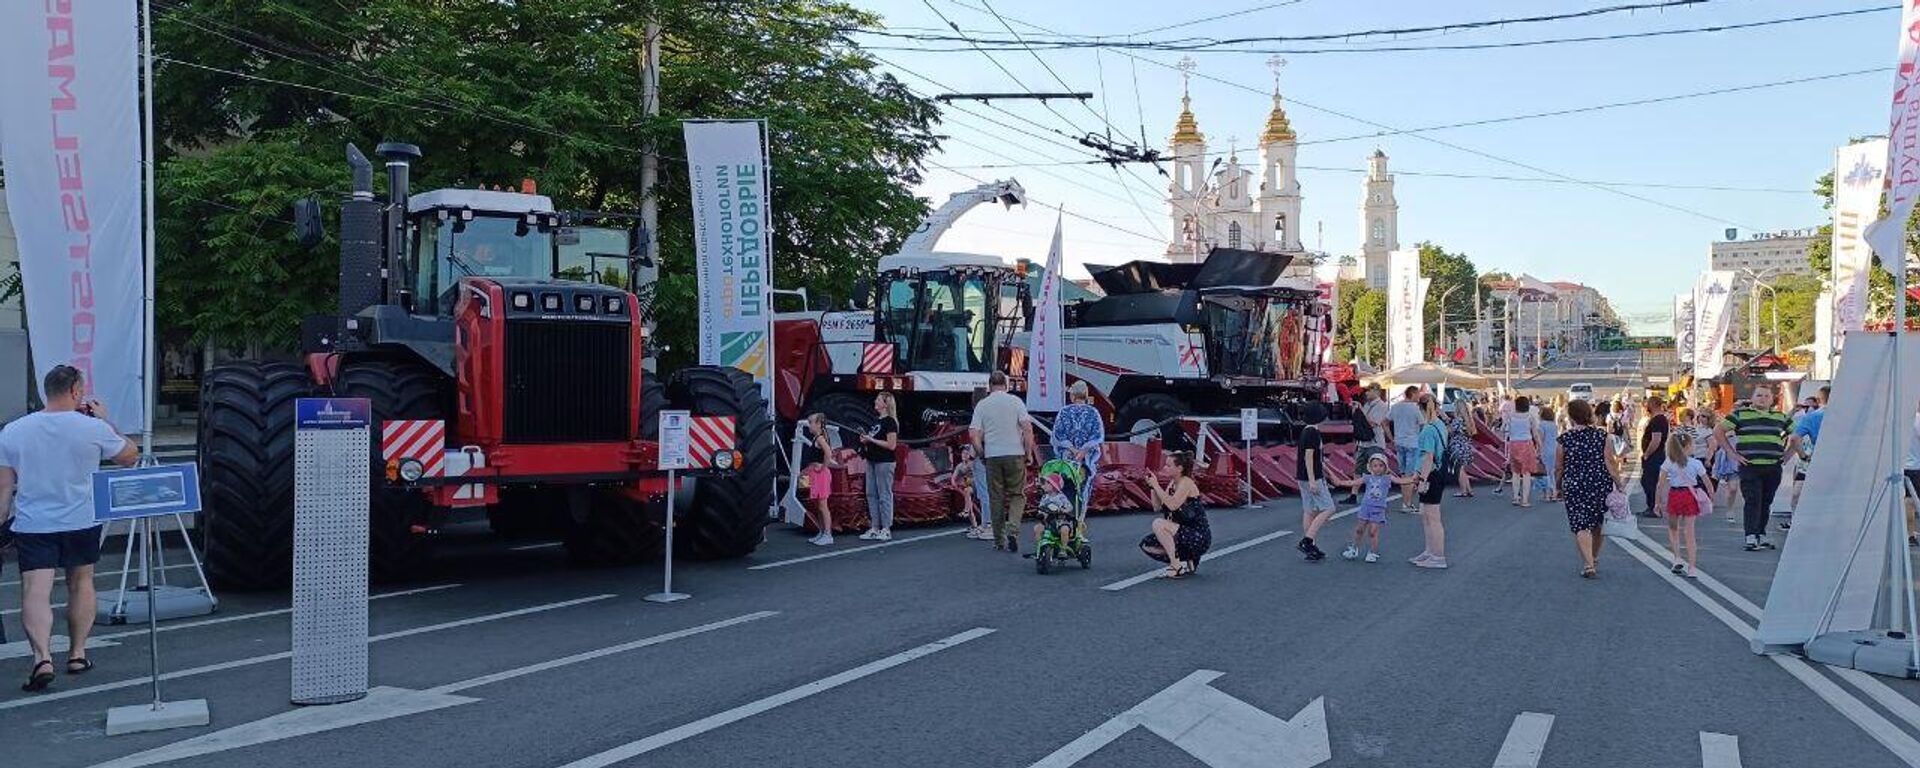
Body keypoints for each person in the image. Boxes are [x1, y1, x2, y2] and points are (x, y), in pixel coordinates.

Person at [0, 365, 138, 692]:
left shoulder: (14, 431)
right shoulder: (91, 428)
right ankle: (77, 654)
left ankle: (42, 658)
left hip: (34, 522)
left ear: (45, 392)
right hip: (81, 519)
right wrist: (105, 420)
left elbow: (4, 487)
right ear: (76, 391)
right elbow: (130, 456)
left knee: (36, 589)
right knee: (81, 582)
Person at [1717, 387, 1794, 551]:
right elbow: (1719, 431)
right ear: (1752, 398)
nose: (1763, 399)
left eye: (1766, 396)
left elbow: (1797, 435)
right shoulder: (1741, 415)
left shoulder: (1780, 417)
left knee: (1766, 501)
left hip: (1773, 466)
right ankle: (1751, 536)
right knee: (1753, 500)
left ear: (1772, 399)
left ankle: (1761, 534)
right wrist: (1732, 454)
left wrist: (1788, 454)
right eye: (1759, 395)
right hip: (1749, 466)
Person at [970, 372, 1038, 553]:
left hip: (993, 455)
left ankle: (999, 540)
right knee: (1017, 494)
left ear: (989, 385)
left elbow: (973, 434)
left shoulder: (982, 405)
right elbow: (1027, 428)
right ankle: (1013, 529)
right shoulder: (1016, 402)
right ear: (1006, 385)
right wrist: (1028, 452)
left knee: (996, 497)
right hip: (1015, 453)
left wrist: (981, 453)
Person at [1555, 399, 1618, 579]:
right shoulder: (1601, 436)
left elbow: (1559, 466)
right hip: (1599, 483)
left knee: (1580, 524)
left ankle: (1589, 563)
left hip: (1574, 484)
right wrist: (1618, 482)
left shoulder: (1564, 439)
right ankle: (1594, 556)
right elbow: (1609, 461)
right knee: (1598, 524)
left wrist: (1558, 486)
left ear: (1570, 416)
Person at [1334, 453, 1414, 563]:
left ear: (1385, 467)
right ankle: (1354, 549)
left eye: (1381, 465)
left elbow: (1401, 481)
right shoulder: (1367, 478)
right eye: (1375, 466)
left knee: (1373, 531)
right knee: (1359, 529)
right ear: (1370, 467)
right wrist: (1340, 483)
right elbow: (1354, 482)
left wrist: (1415, 478)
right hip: (1365, 507)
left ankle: (1373, 552)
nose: (1378, 468)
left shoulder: (1388, 478)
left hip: (1378, 508)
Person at [1654, 432, 1713, 578]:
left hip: (1675, 495)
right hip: (1690, 496)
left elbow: (1660, 485)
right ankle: (1692, 567)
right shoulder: (1696, 463)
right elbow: (1707, 483)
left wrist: (1657, 502)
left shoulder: (1668, 462)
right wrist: (1710, 497)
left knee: (1673, 529)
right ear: (1687, 446)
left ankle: (1677, 558)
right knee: (1690, 532)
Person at [1142, 451, 1209, 578]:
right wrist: (1152, 487)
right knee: (1147, 544)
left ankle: (1176, 565)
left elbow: (1173, 505)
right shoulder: (1172, 483)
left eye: (1168, 465)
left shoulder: (1186, 482)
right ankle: (1188, 558)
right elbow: (1157, 507)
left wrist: (1157, 486)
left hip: (1197, 535)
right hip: (1181, 532)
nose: (1164, 468)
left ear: (1179, 468)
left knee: (1158, 524)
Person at [1409, 396, 1451, 569]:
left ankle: (1438, 556)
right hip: (1438, 472)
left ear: (1421, 409)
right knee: (1427, 515)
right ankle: (1430, 551)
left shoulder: (1427, 430)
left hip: (1430, 474)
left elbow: (1428, 457)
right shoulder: (1440, 425)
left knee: (1432, 517)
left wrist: (1421, 479)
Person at [1051, 381, 1104, 515]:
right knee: (1083, 490)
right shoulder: (1093, 412)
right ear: (1086, 395)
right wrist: (1083, 451)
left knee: (1066, 488)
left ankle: (1065, 521)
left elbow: (1058, 435)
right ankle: (1079, 522)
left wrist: (1072, 450)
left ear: (1072, 395)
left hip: (1067, 459)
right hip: (1086, 460)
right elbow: (1097, 436)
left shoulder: (1064, 411)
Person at [1294, 403, 1335, 561]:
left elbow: (1314, 457)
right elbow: (1310, 456)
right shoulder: (1313, 432)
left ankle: (1311, 545)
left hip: (1302, 476)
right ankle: (1308, 541)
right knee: (1328, 508)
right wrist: (1313, 480)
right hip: (1313, 477)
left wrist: (1328, 473)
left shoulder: (1306, 431)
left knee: (1309, 510)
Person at [857, 393, 900, 541]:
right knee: (871, 494)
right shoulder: (876, 421)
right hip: (872, 460)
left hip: (885, 462)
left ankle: (886, 528)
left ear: (885, 404)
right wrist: (865, 440)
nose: (875, 401)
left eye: (878, 400)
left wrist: (871, 440)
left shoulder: (890, 422)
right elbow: (874, 438)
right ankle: (875, 527)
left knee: (884, 495)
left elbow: (891, 445)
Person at [1787, 388, 1829, 525]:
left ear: (1819, 400)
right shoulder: (1848, 416)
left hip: (1811, 461)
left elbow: (1794, 439)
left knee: (1798, 492)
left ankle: (1796, 521)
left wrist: (1803, 456)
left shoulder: (1810, 417)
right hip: (1839, 462)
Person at [798, 413, 839, 546]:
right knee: (818, 505)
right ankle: (822, 532)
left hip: (821, 474)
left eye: (811, 423)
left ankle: (828, 534)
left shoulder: (820, 438)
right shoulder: (817, 438)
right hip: (816, 473)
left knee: (823, 505)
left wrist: (823, 467)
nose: (809, 425)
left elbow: (828, 452)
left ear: (818, 424)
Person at [1386, 385, 1425, 513]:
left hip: (1399, 442)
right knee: (1410, 475)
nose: (1419, 397)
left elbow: (1384, 421)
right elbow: (1422, 424)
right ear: (1413, 394)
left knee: (1403, 474)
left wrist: (1391, 437)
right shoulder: (1415, 409)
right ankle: (1407, 504)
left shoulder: (1395, 407)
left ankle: (1406, 502)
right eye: (1418, 394)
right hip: (1412, 443)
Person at [1504, 396, 1542, 508]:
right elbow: (1535, 434)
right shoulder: (1530, 417)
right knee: (1526, 473)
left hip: (1513, 444)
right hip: (1526, 444)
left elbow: (1504, 429)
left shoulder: (1510, 417)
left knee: (1515, 472)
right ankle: (1525, 500)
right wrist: (1540, 445)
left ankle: (1515, 497)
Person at [1637, 397, 1671, 517]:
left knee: (1649, 481)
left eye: (1648, 404)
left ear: (1652, 404)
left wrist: (1647, 454)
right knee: (1648, 481)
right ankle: (1652, 506)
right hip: (1656, 455)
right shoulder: (1659, 419)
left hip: (1654, 456)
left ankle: (1654, 508)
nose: (1646, 407)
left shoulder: (1657, 420)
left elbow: (1656, 440)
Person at [952, 444, 986, 540]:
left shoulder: (974, 463)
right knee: (968, 497)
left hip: (978, 485)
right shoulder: (960, 466)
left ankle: (966, 511)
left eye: (967, 453)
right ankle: (974, 524)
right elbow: (954, 477)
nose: (964, 455)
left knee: (967, 491)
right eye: (963, 453)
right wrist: (954, 483)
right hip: (969, 487)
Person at [1450, 403, 1479, 498]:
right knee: (1463, 469)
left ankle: (1463, 490)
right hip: (1467, 445)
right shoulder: (1469, 420)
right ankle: (1469, 489)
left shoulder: (1457, 420)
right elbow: (1473, 433)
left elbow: (1450, 431)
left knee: (1459, 469)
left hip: (1458, 446)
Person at [1537, 405, 1561, 502]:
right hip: (1555, 449)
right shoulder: (1554, 425)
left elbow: (1540, 439)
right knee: (1553, 472)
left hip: (1546, 450)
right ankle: (1554, 493)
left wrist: (1537, 451)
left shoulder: (1541, 425)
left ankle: (1547, 494)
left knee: (1545, 473)